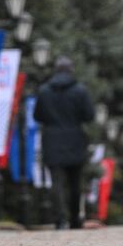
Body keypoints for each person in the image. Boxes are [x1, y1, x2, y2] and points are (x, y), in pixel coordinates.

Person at [34, 55, 96, 230]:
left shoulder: (44, 91)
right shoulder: (80, 91)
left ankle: (60, 220)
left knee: (57, 182)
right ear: (71, 70)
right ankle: (75, 219)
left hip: (52, 139)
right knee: (75, 182)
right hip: (75, 138)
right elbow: (89, 115)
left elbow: (37, 116)